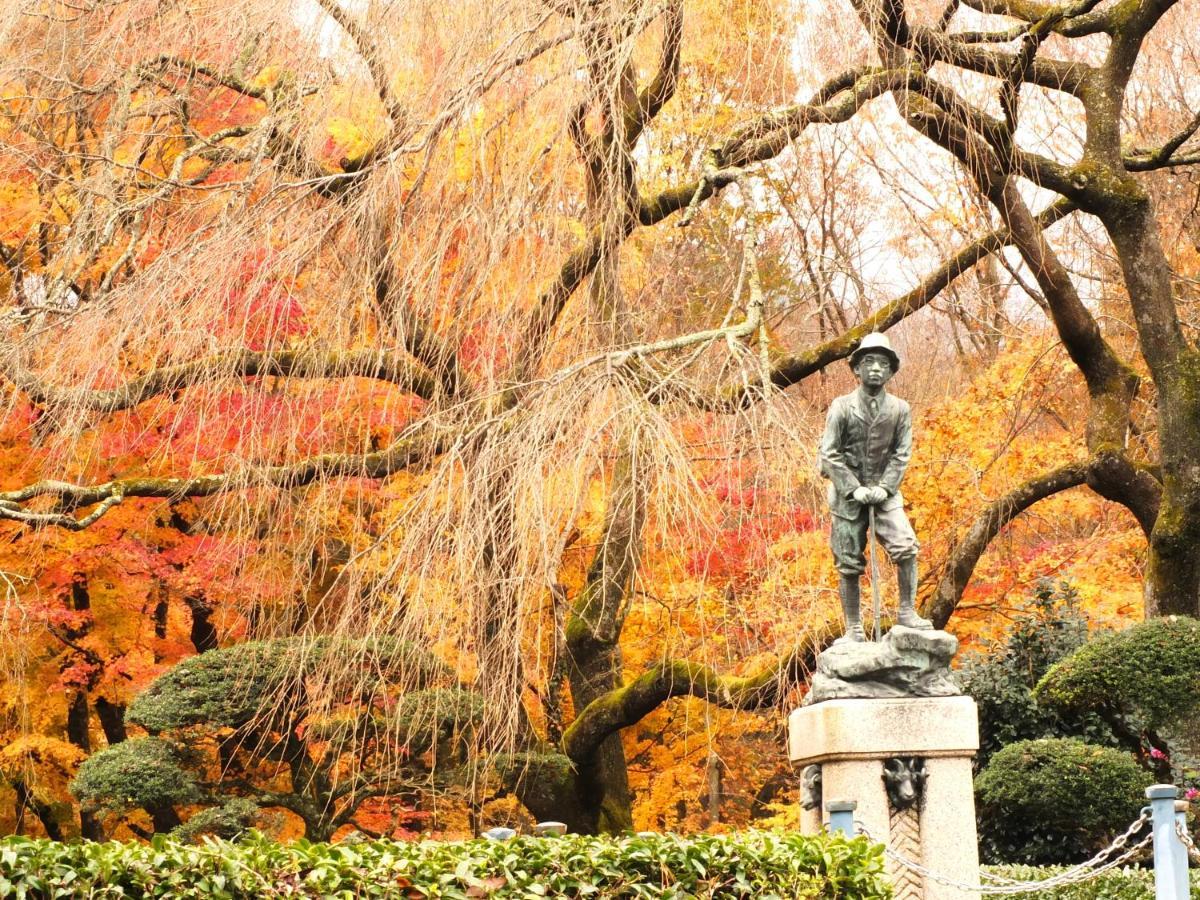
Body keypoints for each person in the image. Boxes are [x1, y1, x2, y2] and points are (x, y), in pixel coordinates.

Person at [818, 332, 931, 642]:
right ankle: (853, 627)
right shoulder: (841, 407)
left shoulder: (899, 409)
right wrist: (853, 488)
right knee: (848, 561)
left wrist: (884, 486)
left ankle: (907, 612)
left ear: (892, 371)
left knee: (906, 546)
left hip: (886, 494)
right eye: (869, 362)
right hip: (846, 496)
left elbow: (901, 453)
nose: (876, 369)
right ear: (857, 369)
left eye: (883, 363)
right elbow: (829, 454)